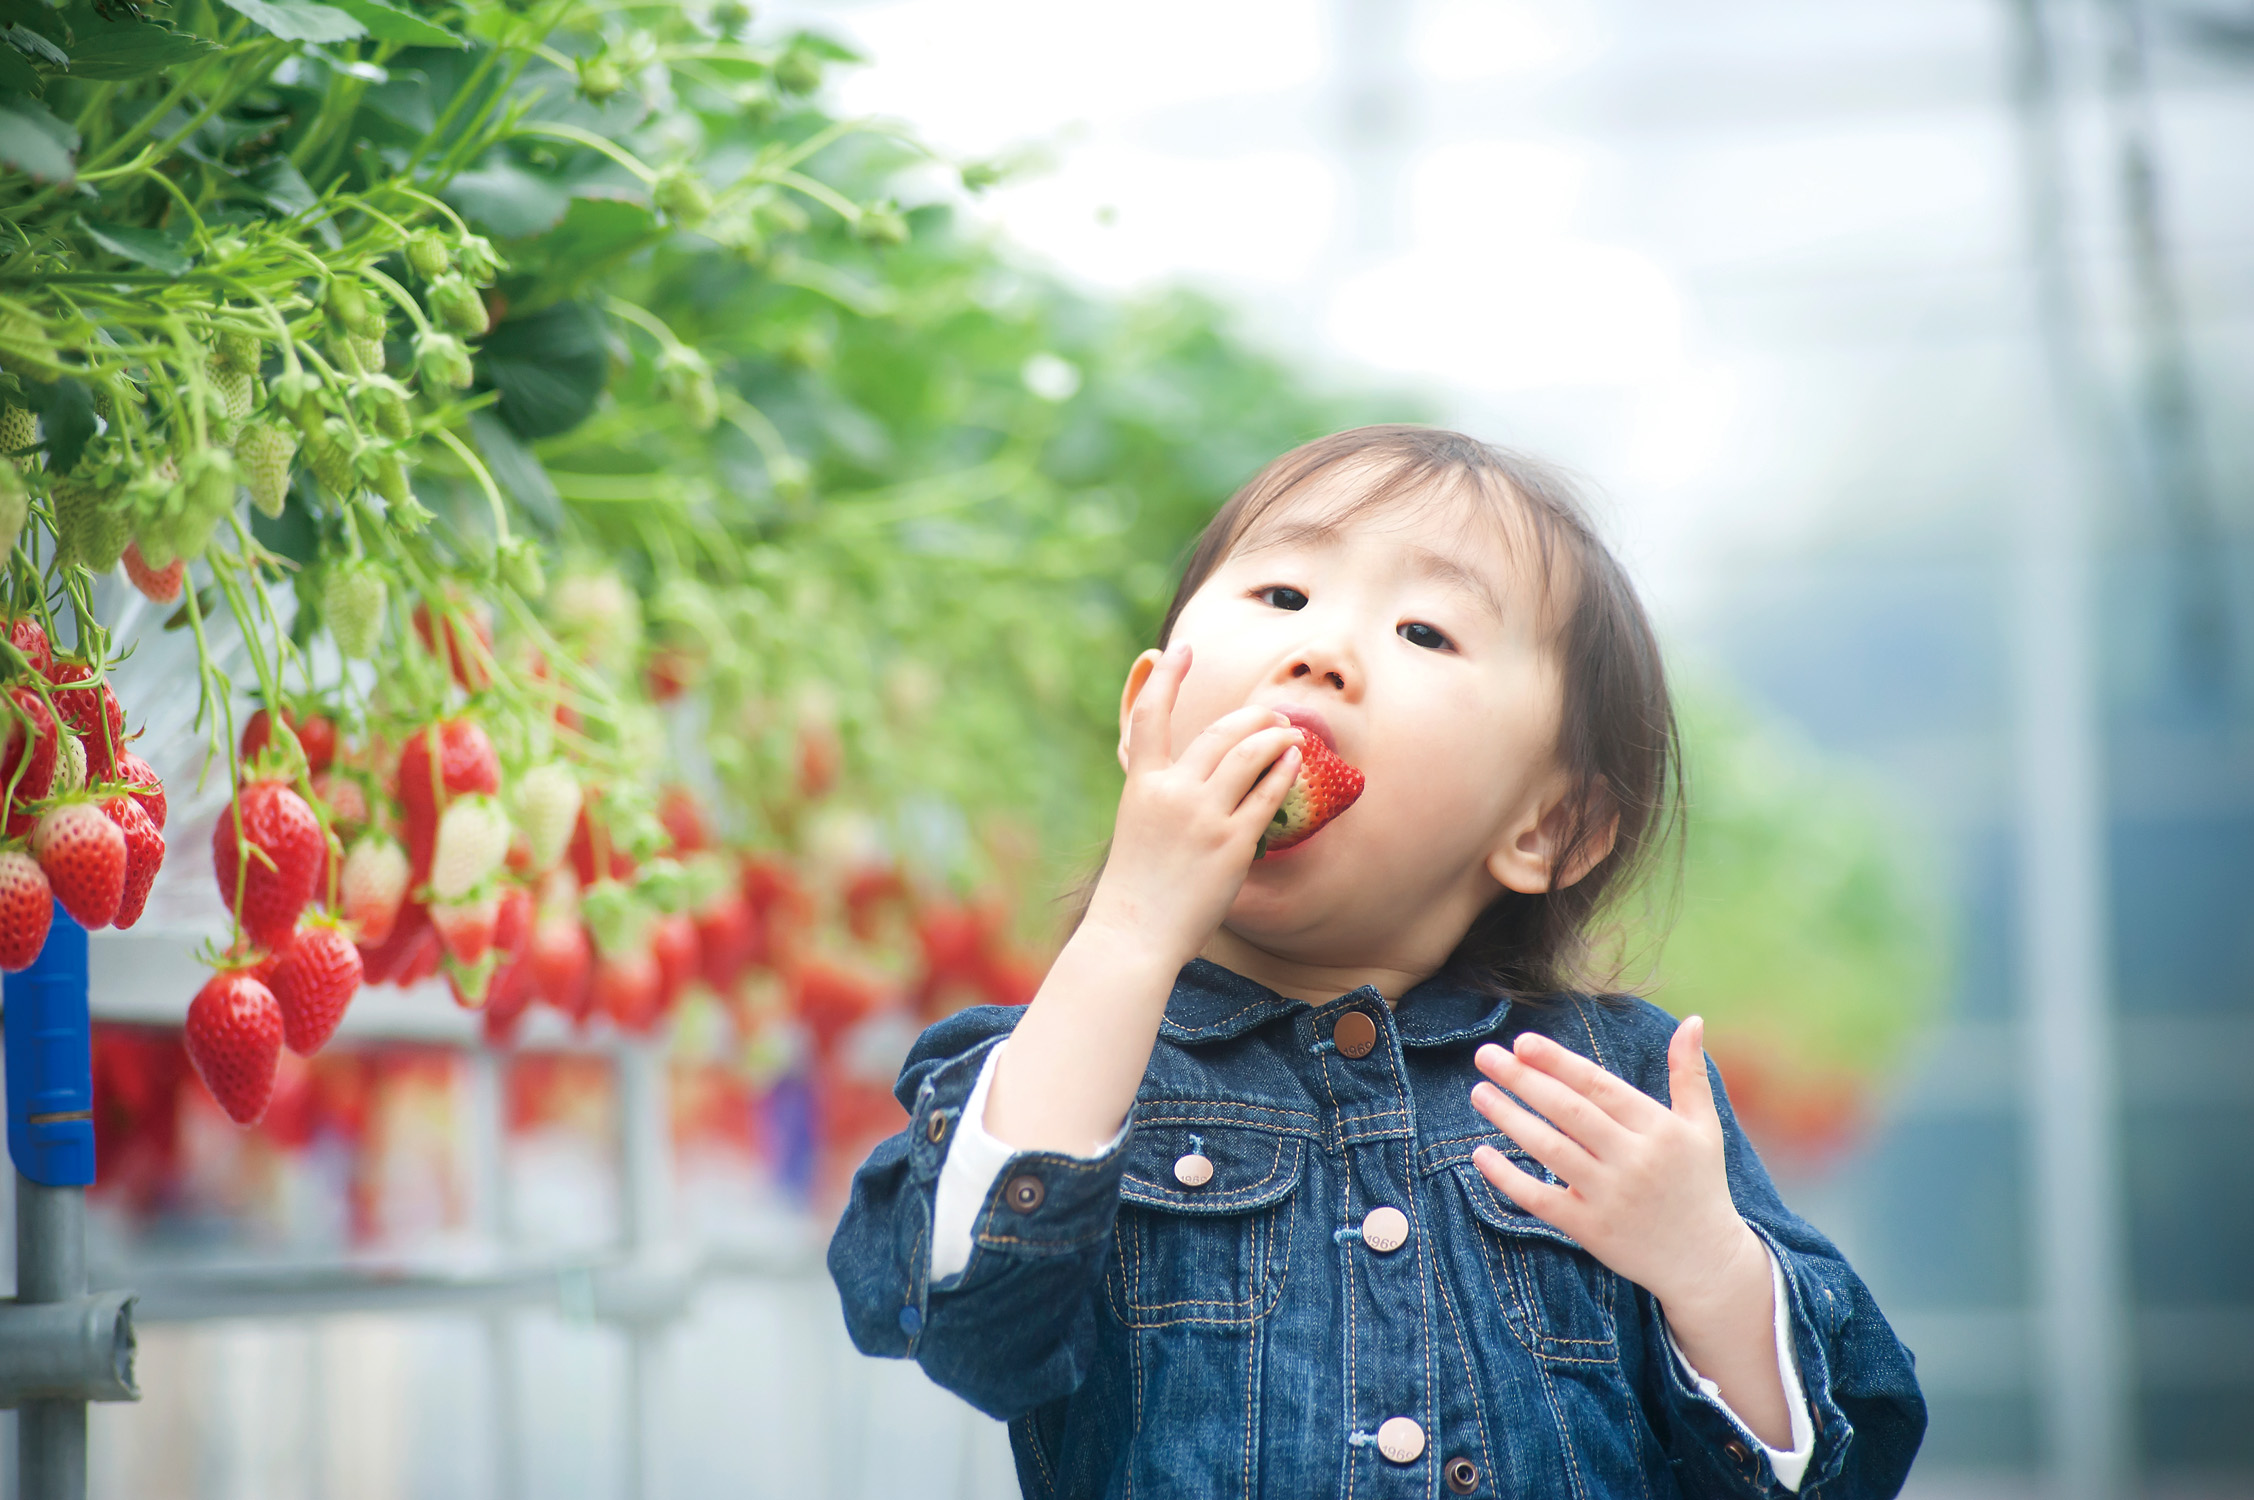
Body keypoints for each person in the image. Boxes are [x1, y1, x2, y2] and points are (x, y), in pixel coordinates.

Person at [828, 425, 1926, 1497]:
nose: (1321, 652)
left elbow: (1850, 1460)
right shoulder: (1066, 1071)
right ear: (1146, 715)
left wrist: (1708, 1271)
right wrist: (1127, 929)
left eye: (1424, 633)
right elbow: (960, 1316)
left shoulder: (1611, 1088)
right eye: (1282, 597)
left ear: (1545, 829)